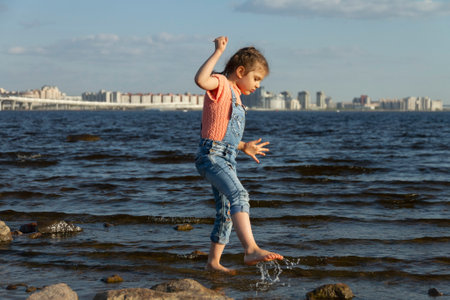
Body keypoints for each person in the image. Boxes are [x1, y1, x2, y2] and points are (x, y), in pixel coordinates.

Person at [194, 36, 284, 274]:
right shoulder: (221, 84)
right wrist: (217, 52)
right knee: (239, 194)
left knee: (225, 212)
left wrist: (243, 146)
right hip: (211, 157)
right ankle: (250, 249)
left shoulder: (236, 96)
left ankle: (213, 263)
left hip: (226, 157)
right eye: (256, 78)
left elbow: (223, 133)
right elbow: (201, 80)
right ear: (240, 71)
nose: (257, 85)